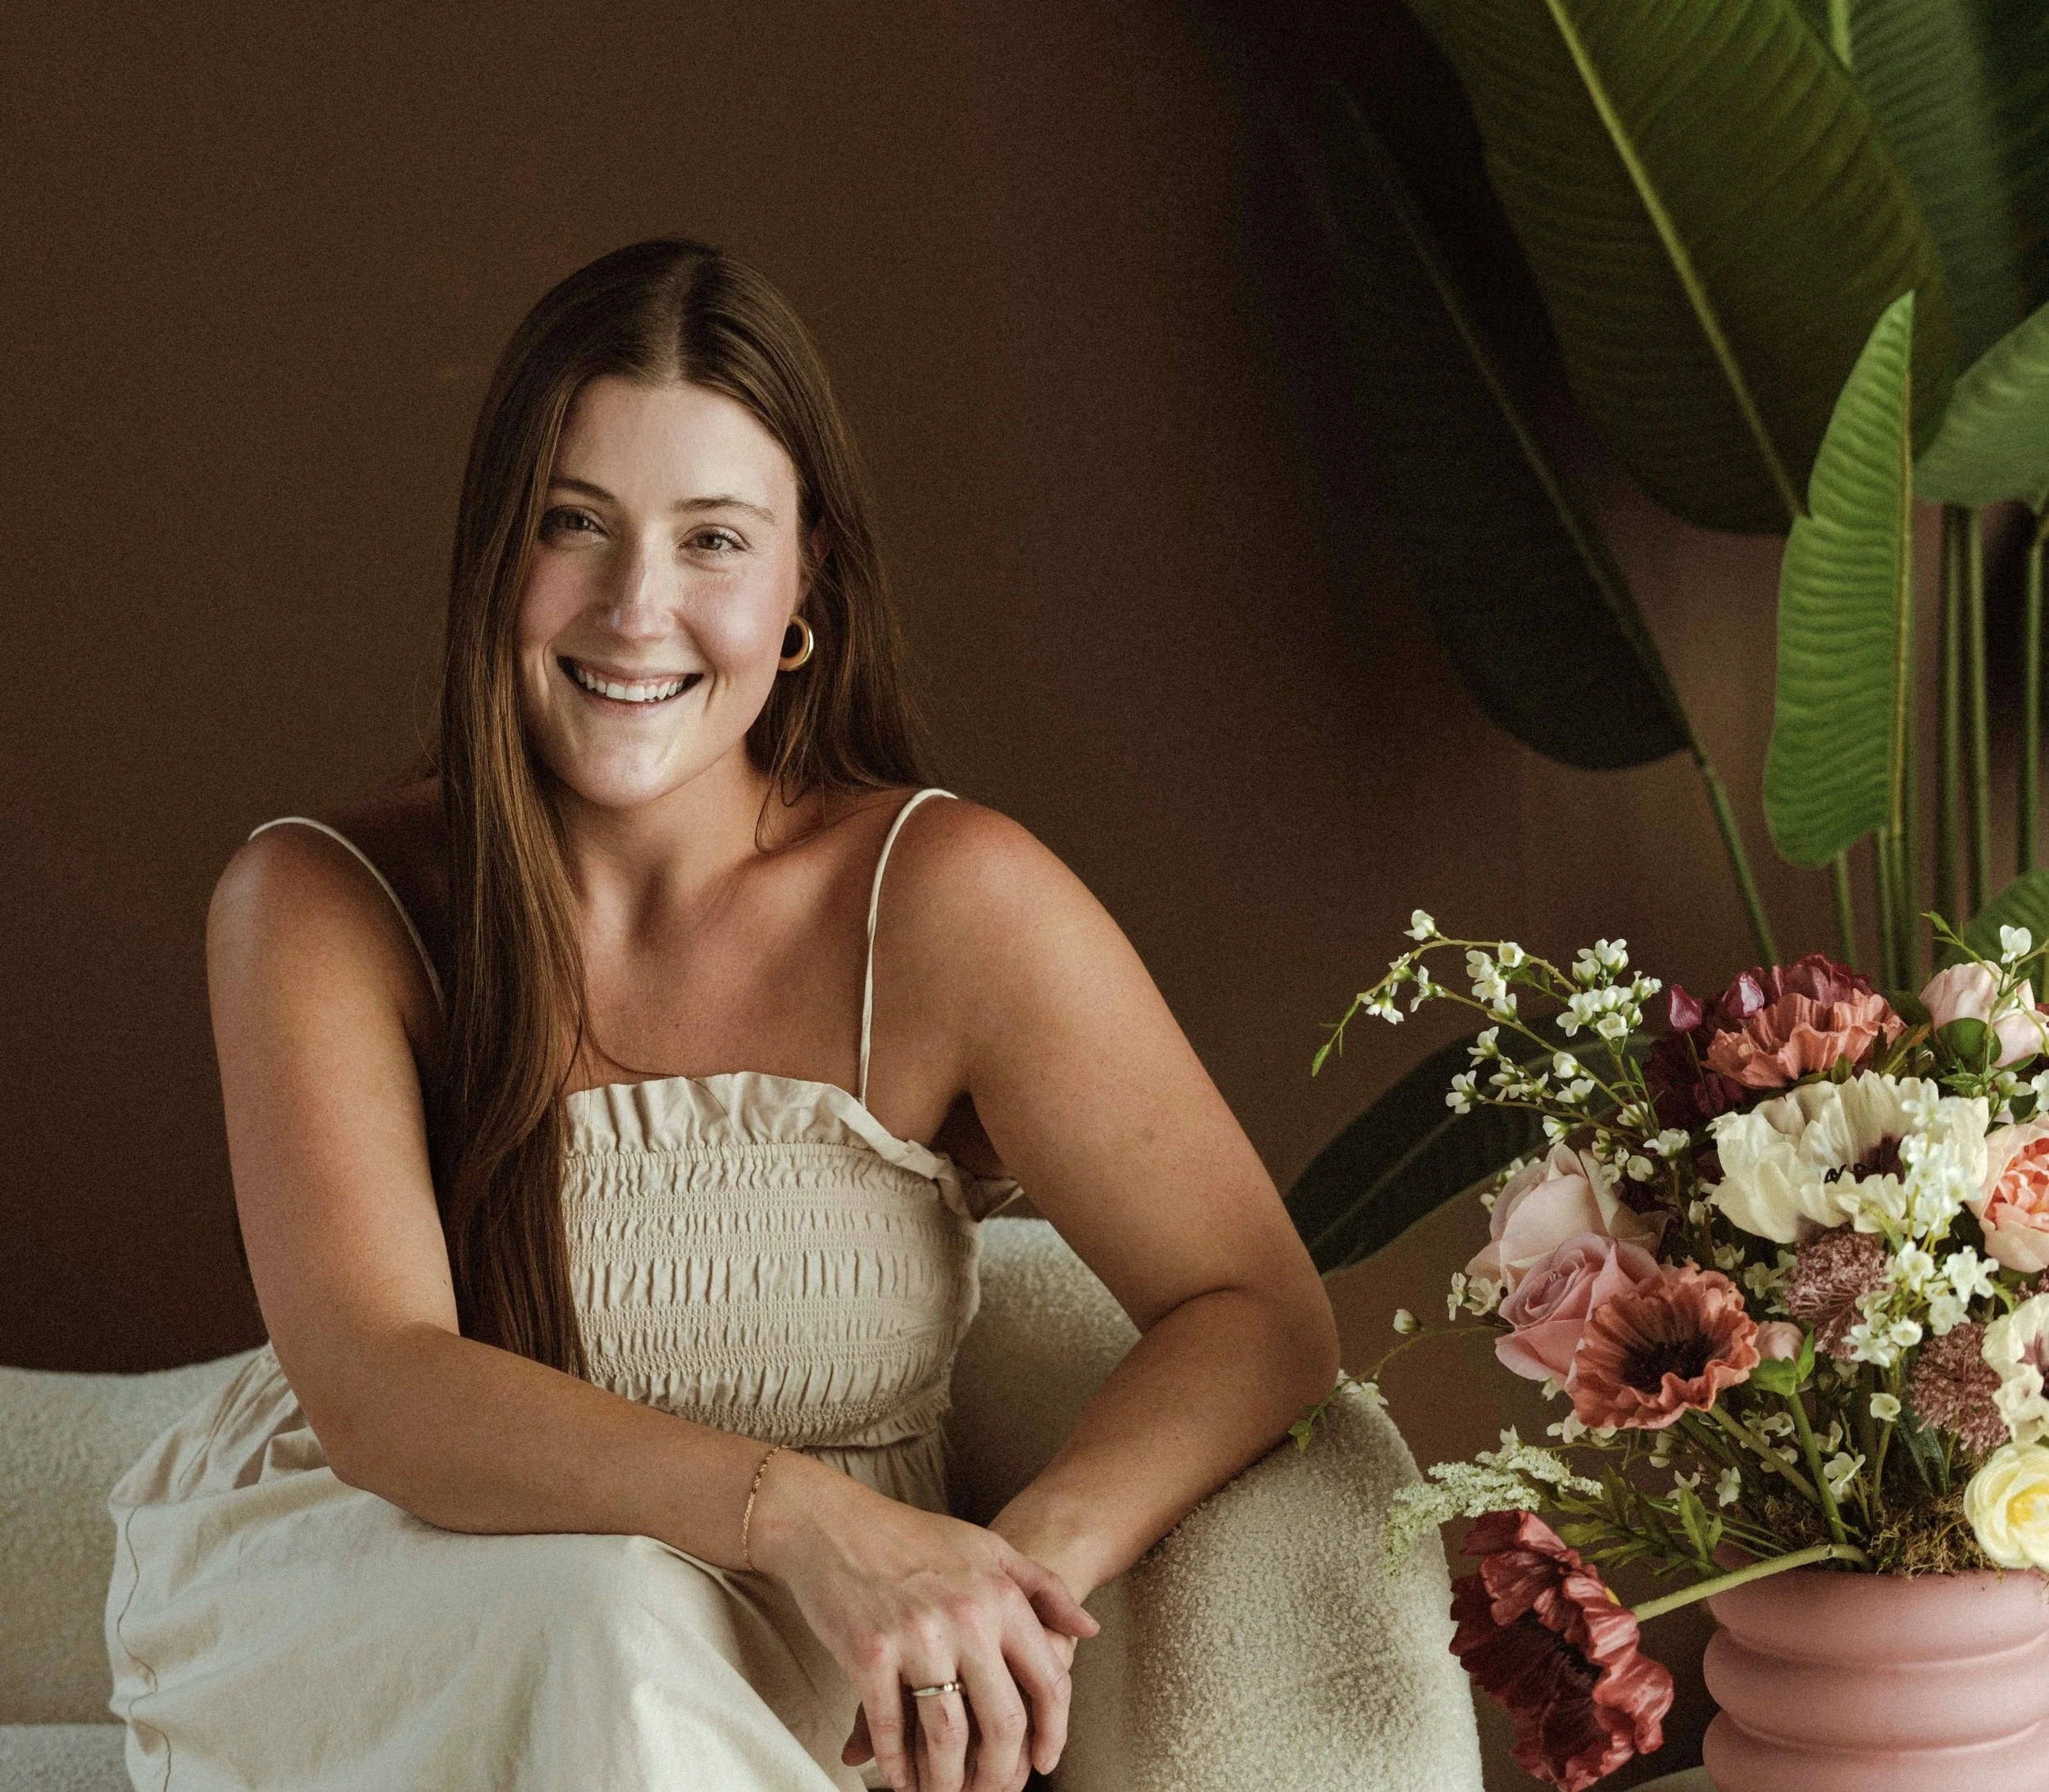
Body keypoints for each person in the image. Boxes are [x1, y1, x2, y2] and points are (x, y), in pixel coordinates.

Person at [104, 237, 1339, 1792]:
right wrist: (805, 1514)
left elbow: (1258, 1308)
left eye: (713, 540)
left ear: (802, 580)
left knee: (624, 1632)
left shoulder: (944, 898)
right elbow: (381, 1385)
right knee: (604, 1612)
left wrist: (1011, 1568)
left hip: (807, 1649)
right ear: (498, 552)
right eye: (577, 525)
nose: (637, 608)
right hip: (392, 1599)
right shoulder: (322, 902)